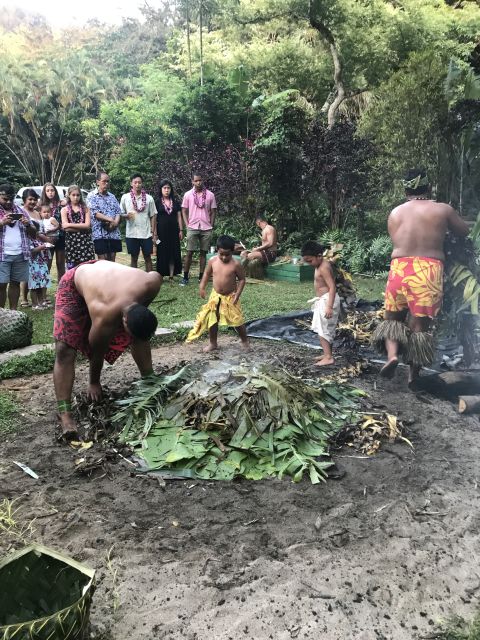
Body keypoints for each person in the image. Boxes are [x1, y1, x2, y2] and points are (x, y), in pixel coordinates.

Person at [372, 168, 470, 383]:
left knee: (392, 319)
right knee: (420, 328)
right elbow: (464, 231)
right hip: (427, 269)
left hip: (399, 267)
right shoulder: (442, 209)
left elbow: (397, 239)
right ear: (429, 186)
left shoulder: (395, 212)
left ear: (406, 189)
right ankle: (412, 376)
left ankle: (391, 356)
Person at [53, 260, 162, 439]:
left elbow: (156, 275)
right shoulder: (104, 316)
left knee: (140, 333)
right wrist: (94, 382)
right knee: (65, 349)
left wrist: (138, 320)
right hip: (76, 282)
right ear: (123, 321)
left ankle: (150, 382)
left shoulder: (152, 282)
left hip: (105, 280)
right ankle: (64, 414)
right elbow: (97, 351)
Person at [186, 235, 249, 352]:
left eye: (227, 254)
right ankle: (213, 343)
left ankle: (245, 341)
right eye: (221, 254)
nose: (224, 257)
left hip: (231, 296)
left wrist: (238, 294)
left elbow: (242, 280)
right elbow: (206, 274)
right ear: (217, 250)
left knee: (237, 320)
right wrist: (202, 286)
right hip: (215, 296)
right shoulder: (212, 261)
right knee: (212, 318)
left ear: (232, 252)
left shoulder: (236, 264)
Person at [301, 241, 341, 366]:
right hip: (324, 299)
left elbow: (332, 287)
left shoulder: (323, 267)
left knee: (323, 330)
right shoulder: (320, 265)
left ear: (319, 256)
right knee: (323, 328)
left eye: (310, 261)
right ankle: (326, 353)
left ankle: (328, 357)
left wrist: (329, 306)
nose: (309, 264)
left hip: (328, 300)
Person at [0, 183, 37, 310]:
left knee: (15, 283)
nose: (9, 201)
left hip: (21, 254)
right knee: (1, 284)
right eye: (5, 199)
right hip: (2, 254)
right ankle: (1, 315)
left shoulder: (21, 211)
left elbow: (33, 234)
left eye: (11, 198)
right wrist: (2, 223)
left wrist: (28, 225)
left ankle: (13, 312)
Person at [180, 173, 217, 286]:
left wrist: (211, 225)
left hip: (206, 228)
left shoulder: (210, 195)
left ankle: (201, 277)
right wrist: (187, 224)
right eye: (196, 181)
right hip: (192, 227)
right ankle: (185, 277)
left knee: (203, 253)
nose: (198, 182)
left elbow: (214, 211)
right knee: (190, 252)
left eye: (200, 180)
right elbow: (184, 210)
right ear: (192, 182)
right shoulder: (188, 195)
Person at [120, 173, 157, 272]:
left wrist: (154, 233)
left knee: (147, 257)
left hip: (146, 233)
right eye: (135, 182)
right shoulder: (125, 197)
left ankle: (150, 279)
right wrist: (125, 216)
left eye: (139, 182)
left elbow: (153, 215)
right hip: (132, 233)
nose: (137, 185)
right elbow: (120, 213)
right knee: (134, 257)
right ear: (131, 183)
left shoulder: (149, 198)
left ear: (142, 184)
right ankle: (134, 281)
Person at [87, 171, 122, 261]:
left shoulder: (112, 197)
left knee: (112, 260)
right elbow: (95, 213)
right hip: (99, 233)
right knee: (103, 261)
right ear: (97, 182)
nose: (106, 184)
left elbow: (118, 212)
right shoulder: (91, 196)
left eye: (108, 181)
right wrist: (111, 220)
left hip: (113, 233)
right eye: (104, 181)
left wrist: (115, 223)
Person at [154, 179, 183, 282]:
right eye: (164, 188)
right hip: (161, 232)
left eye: (168, 188)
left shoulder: (175, 202)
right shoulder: (157, 202)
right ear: (161, 189)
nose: (166, 190)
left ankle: (171, 275)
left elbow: (179, 217)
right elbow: (154, 218)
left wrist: (181, 230)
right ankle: (160, 275)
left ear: (171, 189)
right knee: (161, 253)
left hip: (174, 232)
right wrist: (155, 233)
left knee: (173, 253)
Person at [61, 185, 95, 270]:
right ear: (69, 195)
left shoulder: (85, 209)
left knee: (87, 267)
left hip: (85, 242)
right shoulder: (64, 210)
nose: (76, 197)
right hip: (71, 242)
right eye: (73, 195)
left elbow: (87, 225)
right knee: (72, 268)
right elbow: (65, 228)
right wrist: (82, 227)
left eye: (78, 195)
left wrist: (69, 224)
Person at [19, 189, 41, 307]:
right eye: (30, 199)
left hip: (38, 243)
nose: (32, 202)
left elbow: (39, 230)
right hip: (26, 243)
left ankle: (38, 296)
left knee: (36, 270)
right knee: (26, 271)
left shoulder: (37, 213)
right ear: (24, 200)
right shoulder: (21, 212)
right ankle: (24, 298)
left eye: (34, 199)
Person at [40, 182, 64, 278]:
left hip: (61, 236)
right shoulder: (41, 205)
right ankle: (43, 289)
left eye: (52, 190)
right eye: (48, 190)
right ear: (44, 192)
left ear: (55, 191)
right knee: (47, 263)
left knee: (60, 263)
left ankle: (62, 290)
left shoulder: (61, 204)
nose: (50, 192)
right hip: (46, 237)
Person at [28, 222, 51, 310]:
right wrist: (41, 247)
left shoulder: (37, 239)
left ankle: (41, 302)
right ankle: (34, 304)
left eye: (37, 230)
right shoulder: (28, 239)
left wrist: (44, 247)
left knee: (41, 284)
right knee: (34, 285)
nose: (36, 232)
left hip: (41, 264)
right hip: (33, 265)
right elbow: (31, 251)